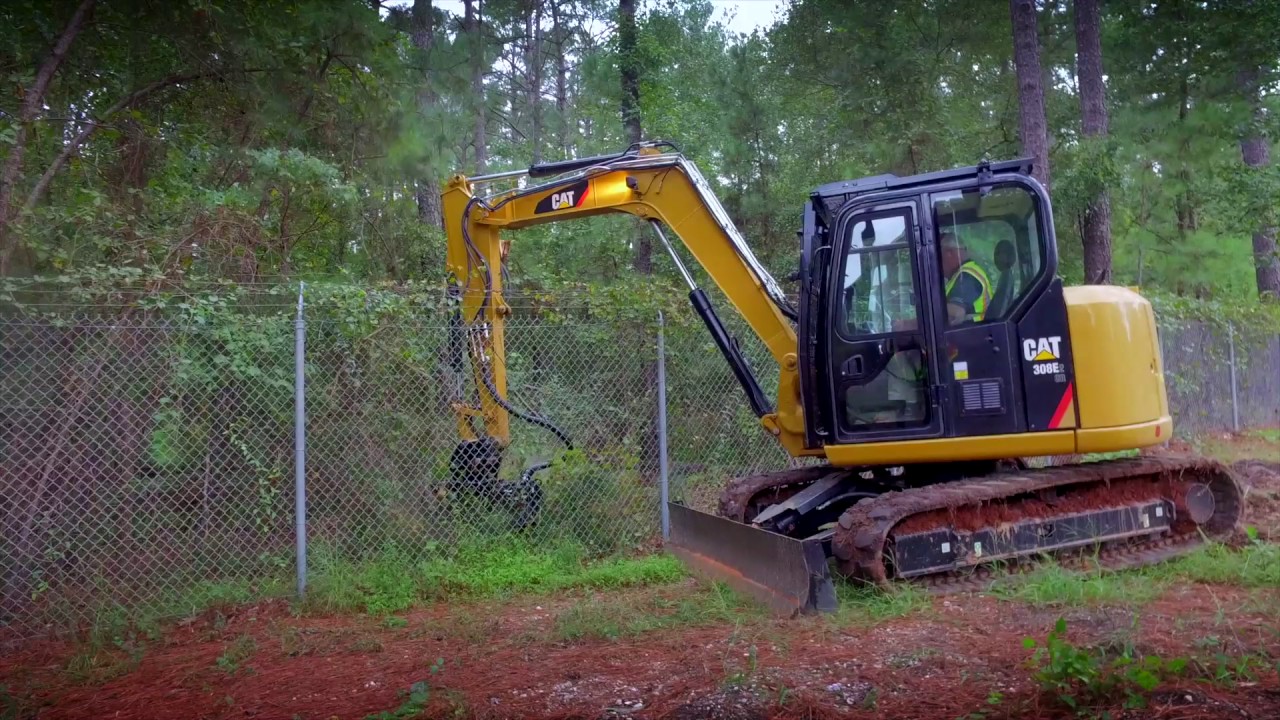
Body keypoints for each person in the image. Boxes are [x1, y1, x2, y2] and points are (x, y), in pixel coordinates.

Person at [939, 232, 993, 325]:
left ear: (949, 253)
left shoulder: (967, 277)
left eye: (939, 257)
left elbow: (956, 313)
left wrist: (928, 311)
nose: (936, 263)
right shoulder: (963, 274)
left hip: (975, 335)